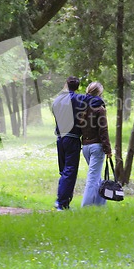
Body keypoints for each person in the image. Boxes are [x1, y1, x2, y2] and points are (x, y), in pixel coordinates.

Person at [52, 76, 103, 210]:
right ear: (77, 87)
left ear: (65, 84)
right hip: (72, 138)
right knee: (70, 171)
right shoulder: (78, 99)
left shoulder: (57, 100)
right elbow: (96, 101)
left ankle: (63, 201)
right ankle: (61, 203)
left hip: (59, 138)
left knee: (63, 171)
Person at [80, 81, 112, 207]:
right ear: (99, 92)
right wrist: (108, 149)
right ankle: (86, 207)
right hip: (96, 147)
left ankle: (100, 205)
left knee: (97, 177)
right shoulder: (100, 108)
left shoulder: (82, 107)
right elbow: (103, 130)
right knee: (93, 178)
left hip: (86, 147)